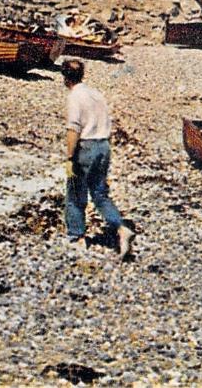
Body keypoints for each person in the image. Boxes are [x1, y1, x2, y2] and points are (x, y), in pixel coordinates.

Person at [61, 58, 135, 259]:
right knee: (100, 193)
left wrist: (69, 157)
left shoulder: (75, 97)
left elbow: (74, 128)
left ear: (65, 78)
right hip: (104, 145)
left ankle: (77, 237)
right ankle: (120, 228)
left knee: (76, 193)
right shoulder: (97, 94)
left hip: (86, 147)